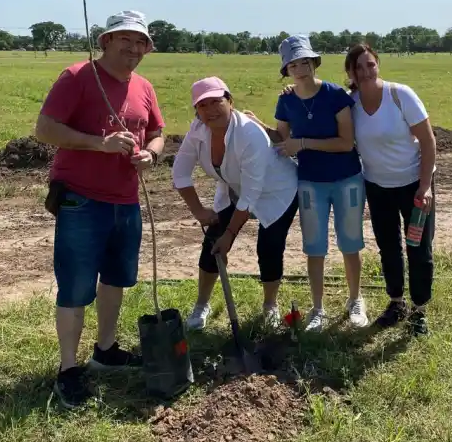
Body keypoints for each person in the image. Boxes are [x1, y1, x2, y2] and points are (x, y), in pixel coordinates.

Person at [35, 10, 165, 408]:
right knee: (76, 287)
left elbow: (157, 132)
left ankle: (105, 350)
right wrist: (100, 143)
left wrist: (151, 156)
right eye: (124, 39)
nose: (133, 47)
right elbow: (44, 128)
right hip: (81, 200)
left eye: (140, 41)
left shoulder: (143, 86)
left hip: (126, 202)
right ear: (105, 41)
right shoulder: (77, 77)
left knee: (116, 279)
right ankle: (68, 369)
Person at [251, 35, 367, 332]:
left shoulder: (335, 95)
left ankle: (355, 300)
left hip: (346, 178)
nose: (300, 68)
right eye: (293, 64)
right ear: (286, 69)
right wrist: (256, 125)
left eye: (304, 61)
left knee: (350, 243)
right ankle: (318, 308)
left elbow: (345, 143)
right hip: (310, 182)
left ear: (314, 62)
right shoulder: (286, 100)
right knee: (314, 248)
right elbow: (282, 138)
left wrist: (303, 143)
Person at [172, 77, 298, 330]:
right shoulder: (197, 131)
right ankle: (201, 305)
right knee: (212, 244)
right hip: (235, 187)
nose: (210, 110)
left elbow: (252, 194)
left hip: (277, 190)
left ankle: (270, 305)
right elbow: (180, 173)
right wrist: (198, 211)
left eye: (217, 102)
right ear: (196, 110)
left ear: (230, 102)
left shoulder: (250, 134)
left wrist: (230, 234)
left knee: (269, 247)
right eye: (203, 105)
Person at [345, 43, 436, 335]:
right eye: (359, 67)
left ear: (378, 64)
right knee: (388, 247)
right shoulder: (351, 103)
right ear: (351, 72)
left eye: (370, 65)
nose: (366, 72)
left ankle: (419, 310)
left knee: (418, 248)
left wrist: (425, 186)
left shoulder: (400, 95)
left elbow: (428, 141)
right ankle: (396, 303)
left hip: (414, 185)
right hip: (377, 187)